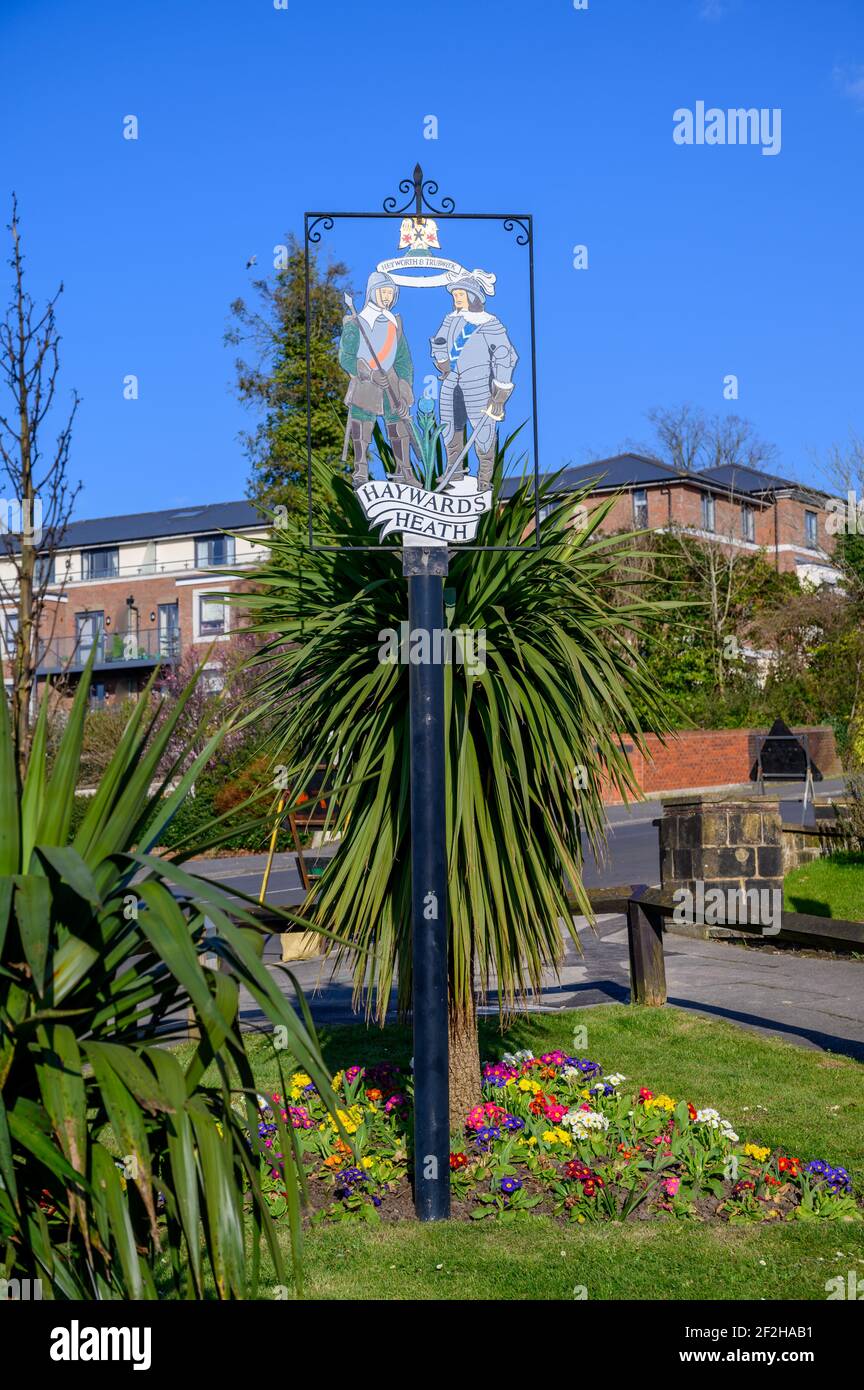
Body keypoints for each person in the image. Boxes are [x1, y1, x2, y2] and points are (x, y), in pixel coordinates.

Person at [429, 272, 518, 490]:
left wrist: (500, 392)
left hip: (478, 383)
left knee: (484, 431)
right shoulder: (451, 319)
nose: (456, 298)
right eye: (455, 294)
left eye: (461, 294)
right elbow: (439, 341)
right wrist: (442, 361)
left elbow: (505, 355)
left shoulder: (490, 323)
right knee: (451, 426)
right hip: (451, 382)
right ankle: (453, 471)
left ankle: (485, 478)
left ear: (473, 296)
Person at [338, 270, 414, 484]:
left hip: (391, 380)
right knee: (361, 426)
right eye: (383, 291)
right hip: (365, 382)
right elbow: (346, 357)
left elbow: (403, 360)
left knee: (398, 424)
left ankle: (404, 471)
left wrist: (404, 387)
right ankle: (360, 470)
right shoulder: (355, 323)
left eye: (391, 292)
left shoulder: (395, 325)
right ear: (372, 292)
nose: (387, 296)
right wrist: (368, 373)